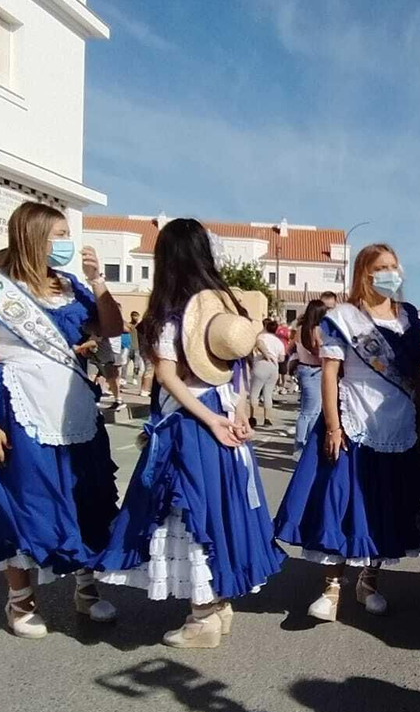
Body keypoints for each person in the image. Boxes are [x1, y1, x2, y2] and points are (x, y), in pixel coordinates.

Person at [93, 219, 287, 647]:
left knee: (185, 512)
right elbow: (237, 376)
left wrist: (211, 419)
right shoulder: (225, 312)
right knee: (220, 507)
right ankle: (217, 601)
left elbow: (167, 375)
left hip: (189, 424)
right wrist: (236, 415)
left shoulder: (172, 316)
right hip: (222, 419)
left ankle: (202, 616)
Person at [0, 201, 126, 639]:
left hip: (72, 406)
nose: (67, 243)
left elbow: (113, 328)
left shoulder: (69, 287)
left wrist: (98, 280)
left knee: (85, 495)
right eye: (59, 235)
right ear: (33, 239)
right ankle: (20, 601)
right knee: (27, 499)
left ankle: (86, 587)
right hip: (19, 403)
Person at [274, 243, 420, 621]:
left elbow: (417, 375)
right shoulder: (344, 317)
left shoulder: (408, 316)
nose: (390, 273)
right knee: (341, 502)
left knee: (385, 506)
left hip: (398, 423)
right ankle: (332, 587)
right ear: (365, 273)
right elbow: (329, 373)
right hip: (354, 420)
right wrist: (332, 424)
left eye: (394, 265)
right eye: (381, 267)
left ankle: (369, 581)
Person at [292, 299, 328, 459]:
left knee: (310, 411)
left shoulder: (300, 329)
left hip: (304, 369)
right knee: (309, 412)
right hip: (314, 370)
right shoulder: (317, 330)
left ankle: (305, 446)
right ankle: (300, 448)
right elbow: (319, 349)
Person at [250, 319, 283, 428]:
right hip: (274, 367)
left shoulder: (261, 337)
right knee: (268, 394)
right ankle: (267, 418)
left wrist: (266, 354)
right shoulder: (279, 342)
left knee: (255, 392)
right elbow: (282, 358)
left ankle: (252, 416)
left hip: (261, 363)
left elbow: (259, 344)